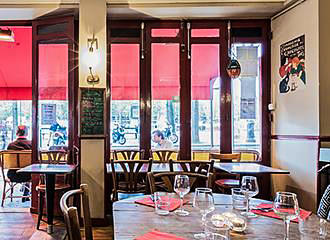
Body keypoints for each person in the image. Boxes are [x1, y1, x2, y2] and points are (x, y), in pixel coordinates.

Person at [7, 125, 32, 202]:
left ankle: (26, 192)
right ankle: (27, 192)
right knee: (29, 169)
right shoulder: (31, 144)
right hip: (28, 175)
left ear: (16, 133)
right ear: (27, 134)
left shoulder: (10, 145)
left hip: (13, 175)